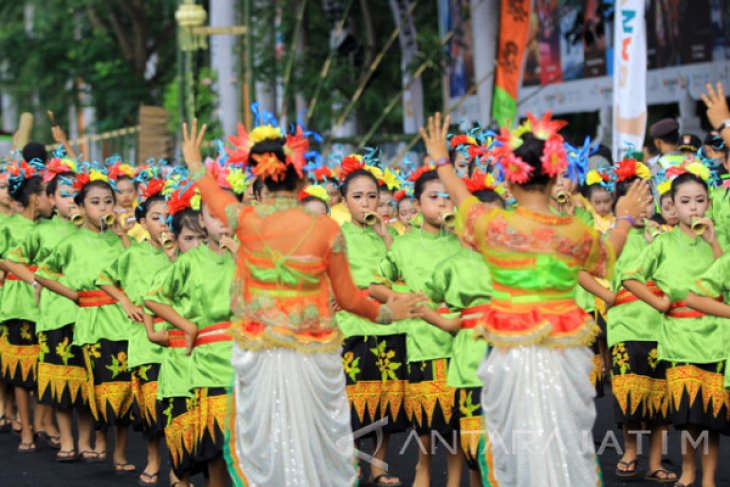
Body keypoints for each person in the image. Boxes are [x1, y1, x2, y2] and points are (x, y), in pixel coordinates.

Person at [179, 118, 417, 486]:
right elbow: (351, 299)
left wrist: (194, 160)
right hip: (313, 354)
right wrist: (388, 312)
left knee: (271, 438)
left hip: (262, 355)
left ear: (259, 184)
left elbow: (212, 194)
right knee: (313, 437)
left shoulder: (245, 220)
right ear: (302, 183)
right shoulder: (325, 229)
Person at [419, 111, 651, 486]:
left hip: (510, 351)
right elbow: (606, 258)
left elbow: (463, 200)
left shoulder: (495, 227)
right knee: (562, 436)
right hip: (562, 352)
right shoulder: (573, 231)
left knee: (512, 436)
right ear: (555, 175)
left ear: (508, 182)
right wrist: (624, 218)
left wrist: (441, 160)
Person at [623, 172, 725, 487]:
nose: (693, 208)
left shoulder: (720, 237)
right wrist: (659, 303)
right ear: (673, 206)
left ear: (709, 204)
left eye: (700, 201)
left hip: (716, 337)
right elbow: (629, 276)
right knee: (688, 417)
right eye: (685, 202)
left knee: (710, 417)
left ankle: (707, 479)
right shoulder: (664, 242)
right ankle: (689, 470)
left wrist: (715, 243)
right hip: (679, 338)